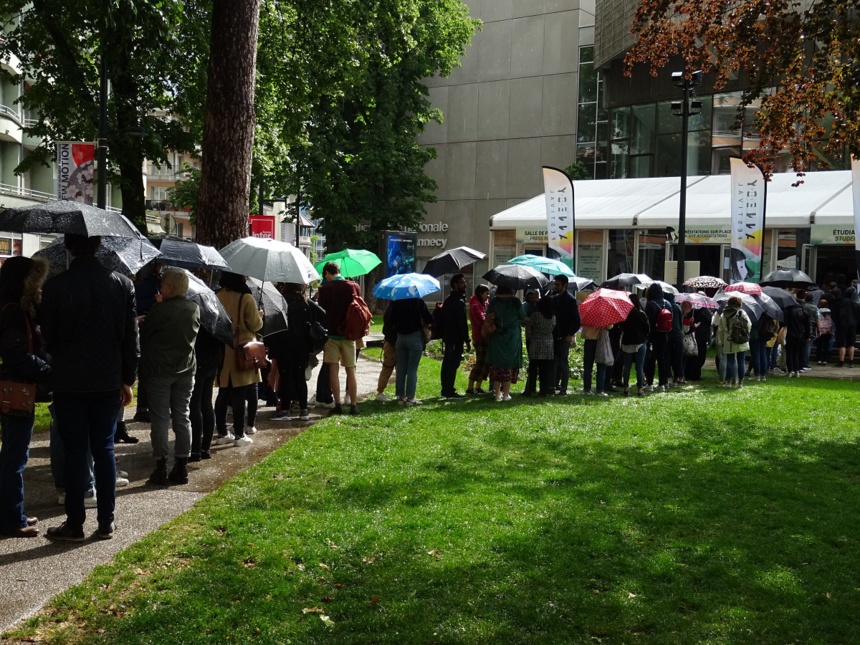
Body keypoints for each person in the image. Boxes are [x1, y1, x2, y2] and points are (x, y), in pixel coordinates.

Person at [41, 234, 139, 541]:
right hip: (108, 378)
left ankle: (75, 522)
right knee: (104, 449)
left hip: (70, 379)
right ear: (98, 247)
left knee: (74, 451)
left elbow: (50, 337)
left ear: (69, 248)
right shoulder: (122, 284)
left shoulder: (56, 286)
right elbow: (130, 338)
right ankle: (106, 520)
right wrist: (127, 378)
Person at [0, 257, 51, 538]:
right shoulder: (12, 311)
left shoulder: (10, 306)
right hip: (17, 388)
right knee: (15, 457)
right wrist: (49, 372)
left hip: (13, 386)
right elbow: (17, 355)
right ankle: (11, 519)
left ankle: (13, 512)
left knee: (12, 455)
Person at [139, 268, 200, 485]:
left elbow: (146, 336)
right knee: (182, 416)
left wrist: (151, 314)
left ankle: (161, 465)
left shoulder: (160, 310)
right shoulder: (194, 308)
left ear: (170, 288)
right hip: (185, 369)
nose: (160, 288)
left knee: (160, 419)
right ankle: (182, 465)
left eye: (163, 285)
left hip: (159, 370)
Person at [214, 271, 264, 445]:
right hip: (243, 351)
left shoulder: (217, 295)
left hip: (222, 350)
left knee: (223, 392)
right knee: (239, 394)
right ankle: (240, 434)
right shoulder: (246, 298)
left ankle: (221, 432)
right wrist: (260, 316)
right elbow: (255, 325)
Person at [267, 283, 325, 421]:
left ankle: (285, 410)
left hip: (284, 344)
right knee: (299, 377)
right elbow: (323, 314)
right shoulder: (305, 301)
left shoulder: (281, 300)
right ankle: (303, 410)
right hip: (302, 345)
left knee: (286, 376)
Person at [317, 261, 361, 415]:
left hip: (331, 334)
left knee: (333, 370)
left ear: (328, 273)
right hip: (349, 334)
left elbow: (321, 313)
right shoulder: (354, 287)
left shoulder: (324, 290)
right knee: (351, 370)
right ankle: (354, 404)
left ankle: (338, 404)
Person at [189, 324, 224, 461]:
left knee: (195, 406)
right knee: (206, 404)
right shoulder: (216, 315)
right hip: (213, 360)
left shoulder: (197, 314)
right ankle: (205, 448)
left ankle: (196, 449)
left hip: (199, 361)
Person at [391, 295, 432, 405]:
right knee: (412, 369)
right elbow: (429, 318)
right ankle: (410, 398)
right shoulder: (418, 302)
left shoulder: (397, 302)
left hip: (400, 337)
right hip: (414, 337)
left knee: (401, 369)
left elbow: (391, 319)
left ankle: (400, 396)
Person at [486, 285, 526, 401]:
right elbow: (523, 317)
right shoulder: (515, 302)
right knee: (508, 364)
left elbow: (488, 316)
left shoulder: (494, 301)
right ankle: (506, 394)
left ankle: (497, 393)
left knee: (496, 364)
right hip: (511, 337)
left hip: (496, 336)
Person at [440, 273, 470, 398]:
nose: (465, 284)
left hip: (449, 337)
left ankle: (446, 389)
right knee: (451, 363)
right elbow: (461, 322)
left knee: (448, 362)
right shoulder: (457, 301)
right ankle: (448, 390)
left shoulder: (449, 299)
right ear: (455, 285)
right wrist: (467, 339)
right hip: (454, 338)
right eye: (462, 282)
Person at [551, 275, 580, 396]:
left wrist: (570, 334)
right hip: (554, 333)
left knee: (563, 362)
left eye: (558, 285)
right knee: (555, 362)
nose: (555, 287)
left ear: (565, 285)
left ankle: (563, 388)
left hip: (564, 334)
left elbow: (577, 321)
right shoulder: (555, 298)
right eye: (555, 284)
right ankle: (554, 385)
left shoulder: (570, 300)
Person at [716, 296, 752, 387]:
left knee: (730, 361)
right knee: (741, 361)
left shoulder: (724, 314)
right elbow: (749, 325)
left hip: (728, 340)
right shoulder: (741, 312)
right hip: (740, 339)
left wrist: (723, 340)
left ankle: (728, 382)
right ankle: (740, 382)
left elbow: (720, 329)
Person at [524, 294, 555, 396]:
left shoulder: (535, 316)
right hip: (548, 343)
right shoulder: (553, 317)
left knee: (533, 367)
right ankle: (544, 390)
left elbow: (529, 330)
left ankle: (531, 388)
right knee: (545, 369)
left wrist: (528, 339)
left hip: (536, 342)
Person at [619, 292, 649, 396]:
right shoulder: (641, 314)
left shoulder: (624, 315)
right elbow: (647, 329)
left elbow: (621, 327)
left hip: (626, 342)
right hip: (640, 343)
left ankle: (626, 388)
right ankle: (640, 389)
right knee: (639, 367)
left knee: (626, 366)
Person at [644, 282, 671, 391]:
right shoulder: (667, 303)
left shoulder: (650, 304)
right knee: (662, 359)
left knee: (651, 359)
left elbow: (648, 322)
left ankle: (650, 383)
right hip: (664, 334)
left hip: (653, 335)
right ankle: (662, 384)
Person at [466, 284, 490, 395]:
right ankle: (470, 387)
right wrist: (489, 317)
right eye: (486, 293)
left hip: (485, 337)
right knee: (480, 363)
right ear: (481, 294)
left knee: (485, 363)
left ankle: (478, 387)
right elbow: (481, 320)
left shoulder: (484, 303)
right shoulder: (475, 305)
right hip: (480, 337)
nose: (488, 296)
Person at [374, 302, 397, 402]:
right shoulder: (392, 310)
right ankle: (380, 391)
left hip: (391, 340)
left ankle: (383, 391)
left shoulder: (390, 308)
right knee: (388, 367)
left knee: (390, 367)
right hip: (392, 341)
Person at [784, 294, 811, 377]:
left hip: (789, 333)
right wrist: (808, 335)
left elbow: (784, 323)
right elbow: (807, 325)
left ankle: (790, 370)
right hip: (800, 334)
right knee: (797, 353)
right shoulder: (803, 311)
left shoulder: (788, 310)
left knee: (789, 353)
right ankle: (797, 370)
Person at [831, 287, 857, 367]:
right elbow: (855, 311)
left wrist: (837, 322)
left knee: (842, 344)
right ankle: (851, 361)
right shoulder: (849, 301)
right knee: (851, 343)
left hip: (841, 324)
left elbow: (834, 315)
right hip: (852, 323)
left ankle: (841, 361)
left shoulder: (835, 302)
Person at [816, 298, 834, 364]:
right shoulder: (830, 311)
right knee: (826, 344)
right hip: (828, 329)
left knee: (819, 345)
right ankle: (825, 359)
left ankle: (819, 359)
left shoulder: (817, 311)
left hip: (820, 329)